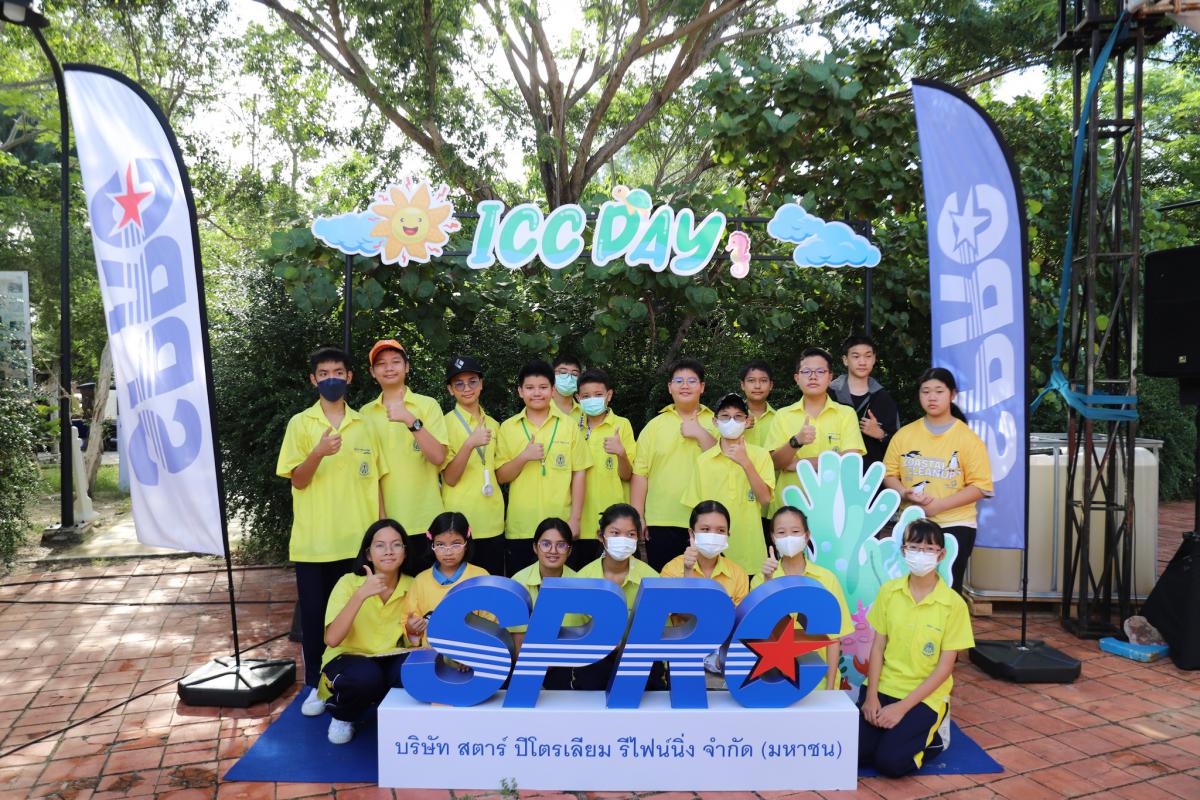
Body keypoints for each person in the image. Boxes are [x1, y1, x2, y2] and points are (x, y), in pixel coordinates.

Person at [276, 346, 388, 718]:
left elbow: (377, 483)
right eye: (323, 374)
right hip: (315, 544)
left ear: (350, 377)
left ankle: (354, 686)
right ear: (313, 380)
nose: (331, 379)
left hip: (357, 544)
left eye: (338, 372)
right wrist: (319, 452)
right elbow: (298, 480)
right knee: (315, 621)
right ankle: (315, 684)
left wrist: (381, 535)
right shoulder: (300, 424)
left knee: (359, 617)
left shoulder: (365, 425)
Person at [858, 518, 974, 778]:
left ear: (941, 555)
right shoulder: (889, 592)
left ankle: (936, 737)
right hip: (884, 686)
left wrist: (901, 708)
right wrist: (871, 696)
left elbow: (945, 669)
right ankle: (893, 733)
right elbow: (878, 647)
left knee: (891, 762)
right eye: (914, 547)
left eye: (928, 549)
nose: (921, 554)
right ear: (903, 551)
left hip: (923, 696)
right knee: (855, 752)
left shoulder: (953, 604)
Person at [883, 368, 993, 593]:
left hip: (955, 524)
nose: (932, 397)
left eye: (939, 391)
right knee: (908, 588)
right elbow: (889, 474)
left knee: (948, 590)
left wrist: (939, 506)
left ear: (952, 394)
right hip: (913, 523)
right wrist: (904, 493)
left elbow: (981, 487)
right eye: (926, 392)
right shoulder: (904, 434)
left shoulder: (968, 439)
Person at [319, 519, 414, 744]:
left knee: (415, 670)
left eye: (396, 544)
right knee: (366, 677)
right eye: (380, 545)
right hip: (349, 658)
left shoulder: (414, 585)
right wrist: (361, 594)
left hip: (392, 656)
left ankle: (393, 712)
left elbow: (415, 639)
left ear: (404, 552)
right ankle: (343, 715)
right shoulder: (348, 583)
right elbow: (332, 639)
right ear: (369, 554)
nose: (389, 551)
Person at [496, 361, 592, 576]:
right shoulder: (508, 427)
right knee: (521, 589)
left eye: (543, 387)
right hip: (521, 527)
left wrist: (575, 519)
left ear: (552, 389)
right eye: (530, 388)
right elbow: (501, 476)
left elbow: (579, 472)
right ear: (520, 391)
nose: (537, 393)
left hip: (561, 527)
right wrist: (523, 457)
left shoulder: (569, 426)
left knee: (563, 589)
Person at [361, 339, 448, 569]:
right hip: (385, 527)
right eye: (381, 364)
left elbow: (439, 457)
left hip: (426, 519)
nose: (389, 368)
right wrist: (381, 521)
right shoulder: (364, 414)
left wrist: (410, 419)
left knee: (428, 588)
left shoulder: (427, 405)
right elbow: (369, 473)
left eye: (395, 362)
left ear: (407, 367)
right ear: (372, 372)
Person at [752, 506, 854, 690]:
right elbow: (758, 630)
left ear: (806, 536)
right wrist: (768, 581)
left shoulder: (826, 579)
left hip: (818, 683)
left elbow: (834, 638)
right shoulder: (761, 579)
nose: (789, 537)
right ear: (773, 538)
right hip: (774, 680)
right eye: (781, 532)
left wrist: (830, 688)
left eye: (795, 531)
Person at [631, 358, 718, 571]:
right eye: (679, 381)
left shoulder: (717, 422)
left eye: (692, 381)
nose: (685, 385)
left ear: (702, 387)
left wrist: (700, 433)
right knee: (664, 582)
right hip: (661, 520)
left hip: (707, 520)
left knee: (703, 581)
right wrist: (638, 516)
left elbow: (723, 462)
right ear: (670, 387)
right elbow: (640, 474)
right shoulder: (654, 426)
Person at [680, 394, 774, 577]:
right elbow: (696, 511)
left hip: (750, 554)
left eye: (738, 416)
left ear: (747, 421)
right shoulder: (704, 461)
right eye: (725, 416)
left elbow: (764, 499)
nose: (731, 421)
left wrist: (746, 462)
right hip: (711, 556)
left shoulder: (761, 455)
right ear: (715, 422)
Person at [573, 504, 663, 690]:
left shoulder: (652, 578)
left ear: (638, 538)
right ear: (600, 536)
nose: (623, 540)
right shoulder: (582, 579)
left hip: (640, 657)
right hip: (595, 658)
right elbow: (574, 634)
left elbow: (660, 632)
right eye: (615, 533)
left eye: (630, 534)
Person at [767, 347, 865, 514]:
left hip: (834, 507)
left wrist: (797, 464)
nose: (813, 376)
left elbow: (850, 461)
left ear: (830, 377)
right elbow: (774, 464)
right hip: (789, 507)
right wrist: (796, 441)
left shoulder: (846, 414)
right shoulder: (782, 415)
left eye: (820, 371)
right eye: (806, 371)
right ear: (797, 378)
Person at [441, 355, 506, 577]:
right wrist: (469, 444)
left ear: (481, 384)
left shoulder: (494, 425)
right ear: (450, 390)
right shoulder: (444, 424)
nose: (467, 388)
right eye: (459, 384)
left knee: (492, 587)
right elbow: (450, 478)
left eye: (472, 381)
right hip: (459, 524)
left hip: (493, 520)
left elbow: (499, 472)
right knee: (460, 588)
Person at [508, 517, 583, 689]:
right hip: (527, 663)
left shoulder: (580, 583)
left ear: (569, 550)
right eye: (546, 544)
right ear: (535, 547)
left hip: (567, 663)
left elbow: (580, 641)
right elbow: (518, 646)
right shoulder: (518, 582)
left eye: (561, 545)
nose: (553, 551)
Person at [574, 368, 637, 569]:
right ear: (578, 398)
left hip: (614, 523)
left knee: (613, 576)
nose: (592, 400)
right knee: (582, 578)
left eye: (598, 394)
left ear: (609, 395)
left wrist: (621, 454)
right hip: (579, 521)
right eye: (586, 396)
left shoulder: (621, 425)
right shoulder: (571, 426)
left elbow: (627, 475)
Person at [402, 512, 491, 647]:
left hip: (471, 653)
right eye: (440, 545)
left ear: (466, 543)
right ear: (432, 544)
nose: (448, 552)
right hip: (431, 654)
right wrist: (411, 629)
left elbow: (492, 624)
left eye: (456, 544)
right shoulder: (420, 581)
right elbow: (411, 632)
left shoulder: (481, 577)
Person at [829, 334, 901, 470]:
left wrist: (881, 435)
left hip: (870, 477)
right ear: (845, 360)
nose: (862, 362)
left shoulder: (884, 399)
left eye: (868, 356)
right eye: (856, 356)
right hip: (831, 474)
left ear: (874, 359)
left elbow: (898, 445)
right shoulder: (829, 394)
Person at [661, 500, 749, 604]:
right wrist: (688, 572)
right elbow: (674, 610)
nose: (713, 536)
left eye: (721, 530)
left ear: (727, 535)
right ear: (691, 533)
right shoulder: (671, 570)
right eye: (705, 529)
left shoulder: (739, 575)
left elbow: (740, 614)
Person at [740, 359, 777, 451]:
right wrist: (737, 427)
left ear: (771, 385)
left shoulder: (779, 418)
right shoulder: (731, 418)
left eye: (763, 381)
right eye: (751, 380)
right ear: (742, 385)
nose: (757, 386)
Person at [551, 354, 584, 422]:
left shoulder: (585, 412)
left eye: (574, 374)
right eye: (563, 372)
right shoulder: (541, 408)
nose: (569, 379)